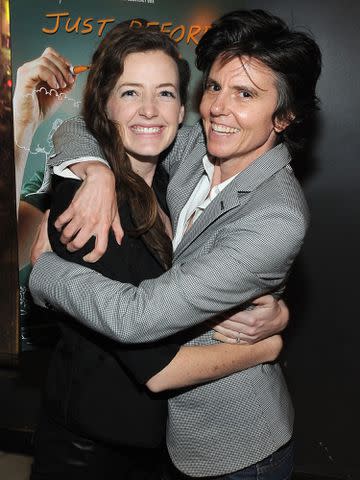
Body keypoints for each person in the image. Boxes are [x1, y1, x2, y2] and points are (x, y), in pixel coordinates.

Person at [30, 9, 322, 479]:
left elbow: (138, 318)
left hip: (233, 449)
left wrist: (44, 272)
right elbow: (88, 125)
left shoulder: (276, 217)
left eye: (244, 94)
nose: (218, 109)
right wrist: (96, 170)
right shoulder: (194, 149)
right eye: (213, 87)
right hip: (139, 434)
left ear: (284, 116)